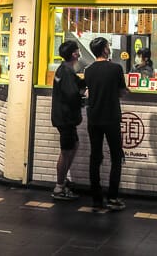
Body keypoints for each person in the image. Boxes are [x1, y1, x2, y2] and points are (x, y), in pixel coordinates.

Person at [84, 36, 128, 212]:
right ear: (104, 49)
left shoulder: (88, 70)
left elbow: (89, 90)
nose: (109, 48)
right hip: (111, 118)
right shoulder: (115, 68)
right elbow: (121, 92)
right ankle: (112, 197)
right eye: (108, 46)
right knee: (116, 156)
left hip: (94, 118)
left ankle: (96, 199)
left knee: (95, 157)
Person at [50, 40, 86, 200]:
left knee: (73, 146)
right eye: (78, 50)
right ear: (74, 54)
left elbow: (78, 83)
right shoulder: (65, 71)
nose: (79, 53)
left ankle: (62, 181)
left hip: (64, 118)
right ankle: (59, 187)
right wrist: (83, 98)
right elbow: (72, 94)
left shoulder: (64, 69)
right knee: (66, 151)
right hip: (66, 118)